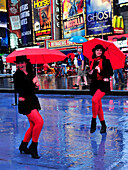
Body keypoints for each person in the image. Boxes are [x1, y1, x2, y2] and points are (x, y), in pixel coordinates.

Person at [13, 55, 44, 159]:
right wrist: (32, 83)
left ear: (26, 63)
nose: (20, 65)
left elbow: (33, 90)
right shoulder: (17, 75)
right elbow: (20, 89)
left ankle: (23, 145)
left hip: (32, 101)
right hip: (25, 102)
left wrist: (36, 84)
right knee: (39, 122)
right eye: (18, 63)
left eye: (22, 62)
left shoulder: (31, 73)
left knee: (33, 125)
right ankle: (33, 147)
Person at [87, 45, 113, 134]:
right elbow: (91, 76)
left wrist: (100, 71)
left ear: (102, 52)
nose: (99, 52)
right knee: (98, 106)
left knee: (94, 100)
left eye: (100, 50)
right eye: (97, 50)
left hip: (103, 84)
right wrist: (90, 73)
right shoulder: (93, 62)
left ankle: (93, 122)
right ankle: (103, 125)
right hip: (95, 85)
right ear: (94, 51)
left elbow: (110, 73)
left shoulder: (106, 61)